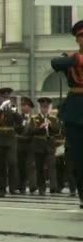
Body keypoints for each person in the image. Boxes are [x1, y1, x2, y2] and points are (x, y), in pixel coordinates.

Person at [51, 20, 83, 208]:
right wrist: (77, 60)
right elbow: (55, 63)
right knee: (79, 157)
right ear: (77, 40)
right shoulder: (71, 60)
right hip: (75, 110)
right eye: (81, 37)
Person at [0, 88, 22, 197]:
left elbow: (19, 121)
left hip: (10, 139)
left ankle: (13, 187)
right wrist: (0, 109)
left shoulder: (13, 108)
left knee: (12, 163)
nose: (5, 99)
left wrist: (14, 112)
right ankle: (1, 189)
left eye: (7, 97)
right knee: (0, 166)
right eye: (3, 97)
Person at [32, 97, 61, 196]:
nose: (45, 109)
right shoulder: (34, 118)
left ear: (49, 107)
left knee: (52, 166)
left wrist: (50, 125)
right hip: (39, 145)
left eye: (46, 107)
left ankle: (53, 187)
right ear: (40, 107)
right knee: (39, 168)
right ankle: (41, 188)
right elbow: (31, 131)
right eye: (43, 107)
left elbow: (57, 130)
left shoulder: (53, 118)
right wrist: (40, 127)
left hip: (49, 145)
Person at [16, 96, 37, 194]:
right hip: (20, 145)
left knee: (31, 166)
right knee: (21, 166)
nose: (24, 107)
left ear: (30, 107)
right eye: (22, 105)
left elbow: (35, 130)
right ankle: (21, 186)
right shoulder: (18, 118)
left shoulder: (34, 118)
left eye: (25, 105)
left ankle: (33, 186)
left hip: (31, 145)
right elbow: (16, 129)